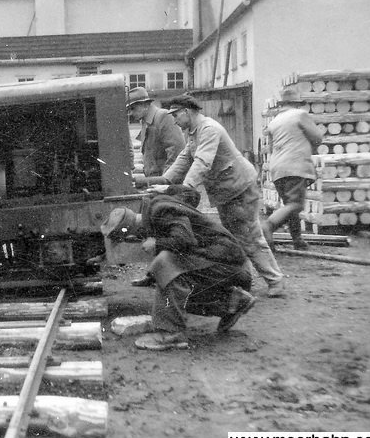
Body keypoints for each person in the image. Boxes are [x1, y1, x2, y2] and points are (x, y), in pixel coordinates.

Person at [155, 94, 287, 298]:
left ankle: (275, 280)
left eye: (175, 115)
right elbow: (185, 159)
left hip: (240, 189)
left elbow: (202, 162)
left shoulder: (209, 129)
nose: (174, 120)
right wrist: (164, 181)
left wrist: (184, 188)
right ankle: (245, 281)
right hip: (227, 192)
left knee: (250, 236)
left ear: (186, 112)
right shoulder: (193, 132)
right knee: (232, 238)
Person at [102, 185, 257, 350]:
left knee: (165, 264)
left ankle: (171, 334)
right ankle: (233, 301)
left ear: (132, 232)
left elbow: (185, 239)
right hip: (226, 264)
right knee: (172, 291)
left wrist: (158, 243)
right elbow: (192, 194)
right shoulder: (159, 206)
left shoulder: (160, 211)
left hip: (229, 265)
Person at [261, 87, 323, 250]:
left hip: (277, 168)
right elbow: (318, 138)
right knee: (295, 204)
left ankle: (297, 240)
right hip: (295, 165)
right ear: (296, 103)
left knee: (289, 204)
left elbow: (273, 147)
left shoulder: (274, 121)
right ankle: (268, 226)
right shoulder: (300, 115)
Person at [126, 87, 185, 178]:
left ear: (145, 105)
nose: (130, 113)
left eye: (133, 108)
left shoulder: (163, 116)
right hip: (155, 181)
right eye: (128, 110)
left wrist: (165, 180)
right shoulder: (146, 123)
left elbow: (176, 152)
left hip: (165, 181)